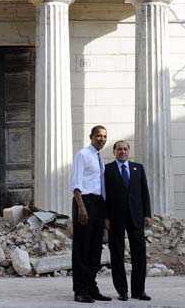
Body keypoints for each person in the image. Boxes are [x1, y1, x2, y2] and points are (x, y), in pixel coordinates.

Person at [105, 140, 152, 301]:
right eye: (119, 149)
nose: (122, 151)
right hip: (115, 219)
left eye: (125, 149)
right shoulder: (107, 170)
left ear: (128, 151)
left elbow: (144, 193)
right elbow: (104, 196)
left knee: (139, 254)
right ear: (114, 152)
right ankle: (122, 291)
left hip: (136, 217)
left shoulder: (138, 168)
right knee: (117, 255)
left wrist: (147, 214)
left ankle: (139, 291)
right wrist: (105, 217)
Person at [70, 125, 112, 303]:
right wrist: (81, 207)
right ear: (91, 137)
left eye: (104, 136)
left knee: (95, 248)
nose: (101, 139)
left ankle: (91, 286)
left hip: (98, 203)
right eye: (98, 136)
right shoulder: (83, 155)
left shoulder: (99, 157)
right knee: (82, 248)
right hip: (84, 201)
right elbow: (76, 184)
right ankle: (79, 290)